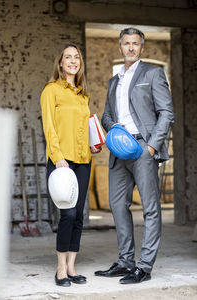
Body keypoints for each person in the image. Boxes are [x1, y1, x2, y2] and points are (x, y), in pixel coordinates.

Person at [95, 28, 174, 284]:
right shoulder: (113, 80)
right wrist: (112, 129)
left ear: (142, 47)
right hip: (119, 151)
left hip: (143, 149)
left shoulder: (152, 73)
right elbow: (107, 114)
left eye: (135, 44)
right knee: (118, 206)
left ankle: (145, 266)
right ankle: (126, 260)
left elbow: (166, 113)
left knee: (150, 209)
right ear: (120, 47)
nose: (130, 48)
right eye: (126, 43)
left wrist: (151, 147)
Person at [40, 43, 101, 287]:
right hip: (61, 161)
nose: (73, 61)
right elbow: (49, 127)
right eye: (68, 57)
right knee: (67, 214)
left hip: (83, 160)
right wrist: (58, 157)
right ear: (60, 63)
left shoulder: (83, 95)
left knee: (78, 217)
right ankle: (60, 269)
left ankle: (73, 267)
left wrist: (94, 143)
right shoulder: (51, 90)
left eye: (77, 57)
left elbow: (84, 127)